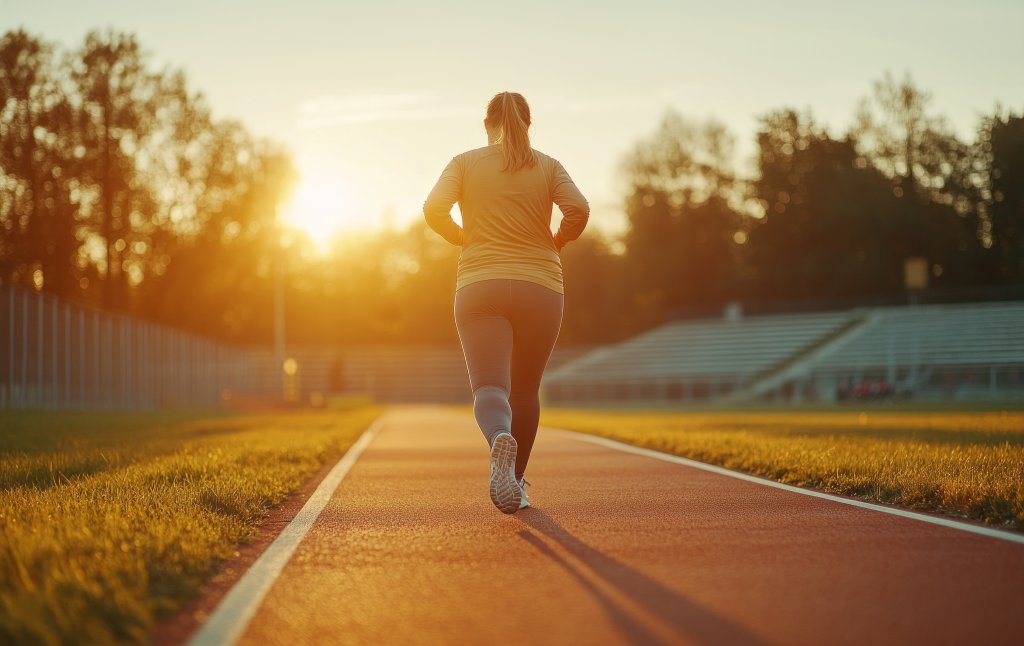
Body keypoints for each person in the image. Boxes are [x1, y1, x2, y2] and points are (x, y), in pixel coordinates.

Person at [423, 91, 590, 514]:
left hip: (480, 283)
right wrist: (558, 241)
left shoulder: (463, 162)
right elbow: (579, 210)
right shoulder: (549, 165)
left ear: (486, 125)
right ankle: (516, 481)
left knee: (491, 386)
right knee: (527, 389)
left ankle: (499, 437)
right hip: (541, 286)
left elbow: (433, 209)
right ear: (529, 125)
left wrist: (463, 237)